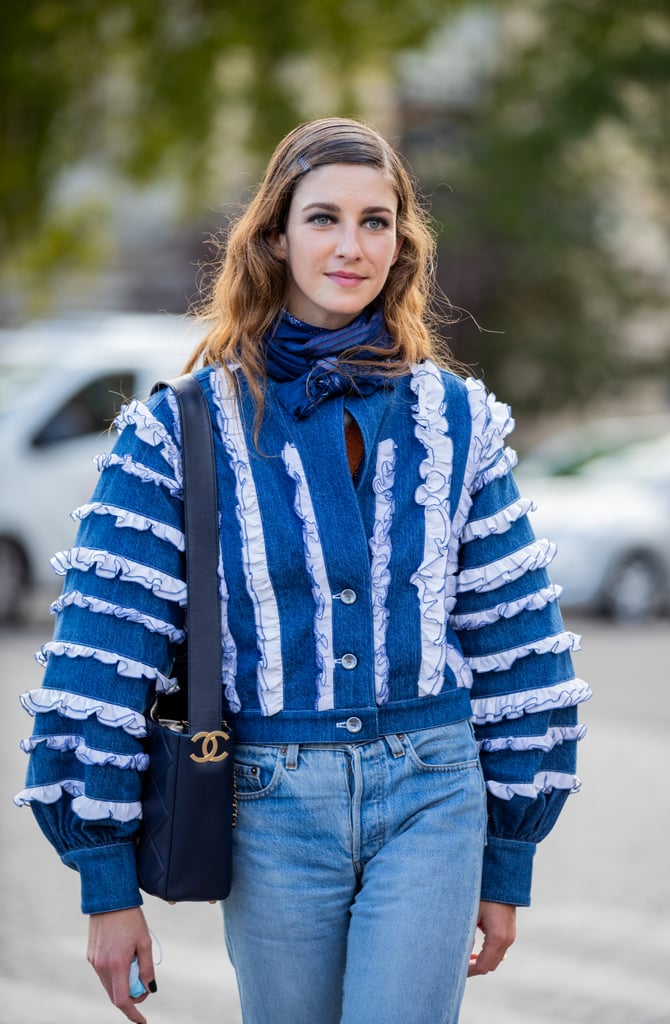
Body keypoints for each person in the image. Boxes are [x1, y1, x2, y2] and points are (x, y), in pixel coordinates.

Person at [16, 117, 590, 1024]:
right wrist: (105, 883)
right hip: (270, 808)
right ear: (275, 237)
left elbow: (518, 640)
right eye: (323, 218)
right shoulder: (179, 428)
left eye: (376, 221)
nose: (351, 246)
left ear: (402, 242)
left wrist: (508, 854)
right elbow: (99, 652)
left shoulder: (457, 421)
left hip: (434, 798)